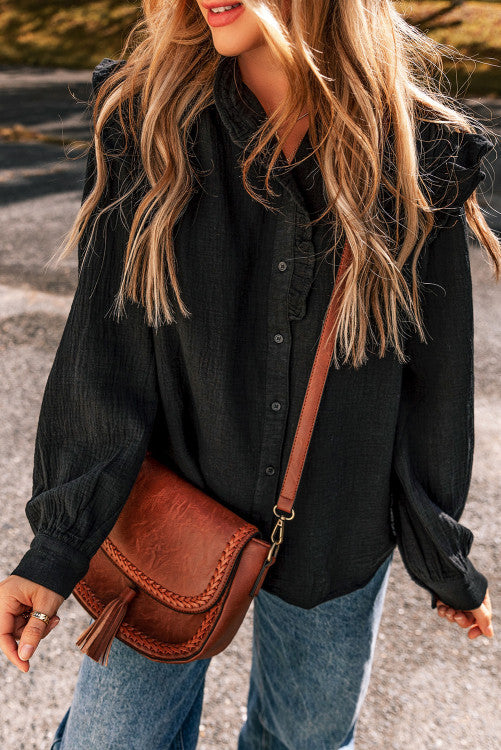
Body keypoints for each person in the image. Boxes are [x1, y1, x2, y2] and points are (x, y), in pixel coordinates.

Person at [0, 0, 498, 747]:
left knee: (302, 738)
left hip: (336, 532)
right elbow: (104, 352)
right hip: (167, 521)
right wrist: (56, 547)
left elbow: (432, 376)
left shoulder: (418, 145)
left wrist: (440, 556)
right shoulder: (145, 117)